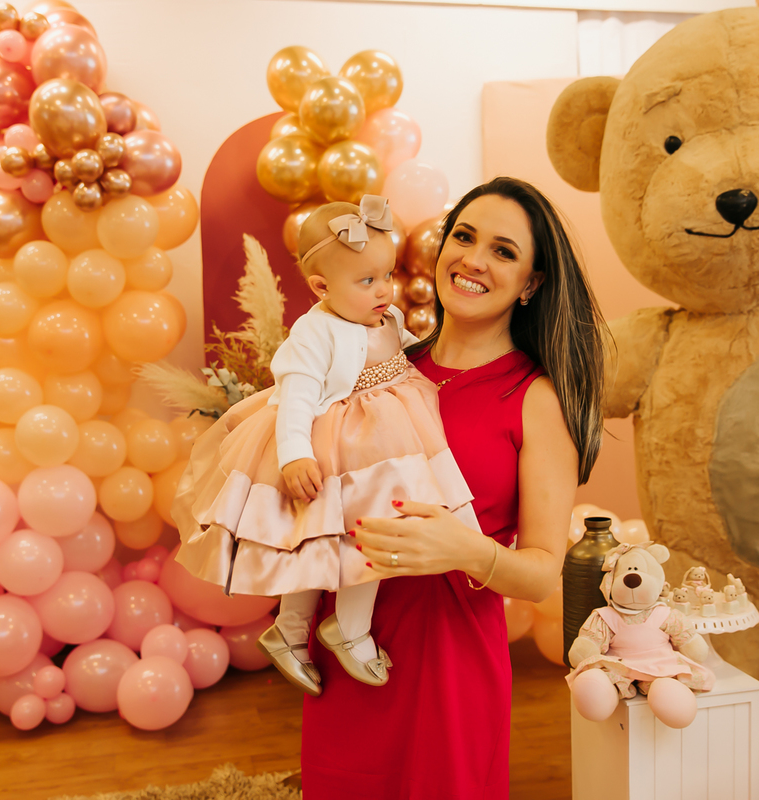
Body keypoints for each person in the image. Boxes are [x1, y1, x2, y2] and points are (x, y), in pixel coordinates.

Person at [300, 176, 607, 799]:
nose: (473, 259)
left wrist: (464, 549)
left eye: (503, 251)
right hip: (349, 644)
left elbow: (541, 573)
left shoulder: (535, 398)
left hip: (450, 664)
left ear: (531, 284)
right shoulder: (379, 370)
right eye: (463, 237)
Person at [172, 195, 479, 697]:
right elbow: (296, 396)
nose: (384, 289)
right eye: (367, 280)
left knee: (374, 537)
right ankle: (308, 630)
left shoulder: (386, 315)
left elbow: (402, 352)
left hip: (390, 439)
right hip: (338, 446)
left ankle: (328, 628)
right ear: (321, 287)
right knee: (329, 541)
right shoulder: (314, 332)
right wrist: (295, 454)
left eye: (387, 274)